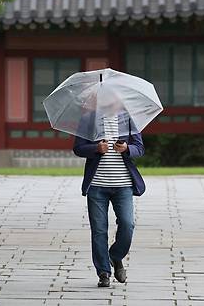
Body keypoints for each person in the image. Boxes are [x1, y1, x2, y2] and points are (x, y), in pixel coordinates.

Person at [72, 109, 145, 288]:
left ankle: (115, 256)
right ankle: (103, 272)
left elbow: (140, 148)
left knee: (128, 224)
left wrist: (127, 148)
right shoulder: (89, 120)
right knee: (99, 230)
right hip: (97, 185)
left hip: (123, 184)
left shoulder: (128, 120)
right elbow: (78, 148)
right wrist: (95, 148)